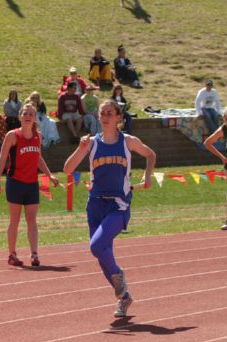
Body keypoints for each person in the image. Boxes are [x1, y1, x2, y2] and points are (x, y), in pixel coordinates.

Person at [62, 99, 156, 318]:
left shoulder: (128, 142)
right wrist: (80, 148)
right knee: (103, 254)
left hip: (118, 205)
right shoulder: (92, 143)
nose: (104, 116)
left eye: (109, 113)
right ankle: (124, 298)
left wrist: (148, 175)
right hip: (94, 204)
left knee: (96, 247)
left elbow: (150, 154)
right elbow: (68, 169)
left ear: (118, 117)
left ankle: (118, 275)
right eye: (102, 113)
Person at [0, 103, 58, 268]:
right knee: (14, 220)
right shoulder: (12, 136)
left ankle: (34, 253)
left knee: (32, 220)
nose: (28, 116)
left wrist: (49, 175)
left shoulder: (38, 136)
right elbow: (2, 158)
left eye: (31, 114)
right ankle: (12, 253)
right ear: (20, 117)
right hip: (15, 182)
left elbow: (38, 158)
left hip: (31, 184)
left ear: (35, 118)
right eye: (25, 113)